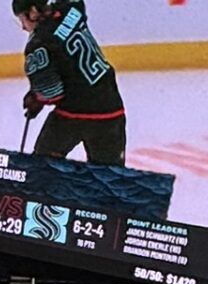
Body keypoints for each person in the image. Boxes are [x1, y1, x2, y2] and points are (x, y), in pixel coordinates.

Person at [13, 0, 126, 166]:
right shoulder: (72, 9)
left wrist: (37, 99)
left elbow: (52, 92)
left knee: (43, 167)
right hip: (110, 109)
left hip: (73, 114)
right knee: (111, 177)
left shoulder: (38, 44)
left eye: (22, 19)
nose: (23, 27)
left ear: (33, 12)